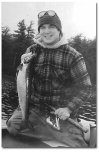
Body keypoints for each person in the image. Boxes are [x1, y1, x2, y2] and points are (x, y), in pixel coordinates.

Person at [6, 10, 93, 147]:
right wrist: (21, 65)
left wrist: (68, 109)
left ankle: (52, 130)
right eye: (43, 27)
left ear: (59, 30)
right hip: (33, 108)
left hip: (59, 114)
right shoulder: (32, 50)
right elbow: (21, 80)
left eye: (51, 27)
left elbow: (86, 88)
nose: (47, 31)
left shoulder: (73, 56)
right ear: (39, 31)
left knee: (78, 146)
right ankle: (49, 132)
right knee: (11, 127)